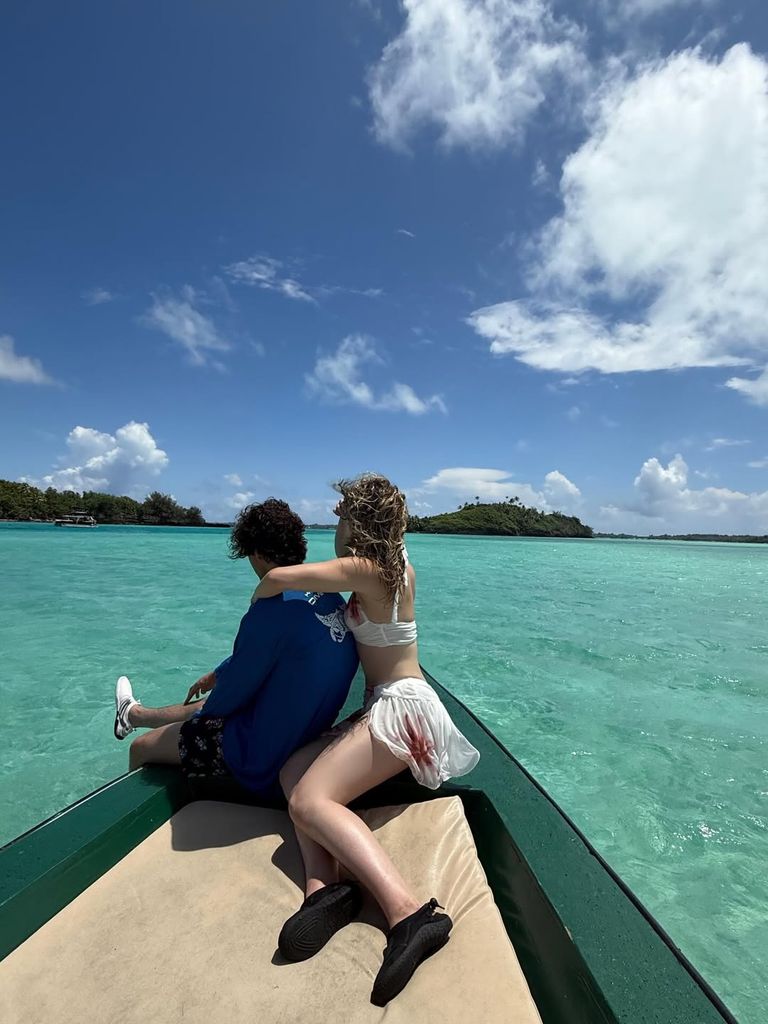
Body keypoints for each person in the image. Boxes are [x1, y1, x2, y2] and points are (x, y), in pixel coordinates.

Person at [250, 473, 480, 1005]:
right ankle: (324, 889)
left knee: (308, 801)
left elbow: (279, 577)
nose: (335, 527)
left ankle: (410, 915)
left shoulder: (365, 569)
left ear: (357, 524)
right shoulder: (395, 567)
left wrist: (259, 604)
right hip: (390, 704)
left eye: (341, 517)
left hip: (403, 707)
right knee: (292, 771)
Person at [112, 498, 359, 799]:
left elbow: (223, 704)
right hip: (309, 735)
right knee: (222, 702)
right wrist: (220, 673)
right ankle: (133, 715)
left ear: (256, 552)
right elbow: (285, 648)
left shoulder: (267, 611)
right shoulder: (330, 595)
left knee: (142, 747)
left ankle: (131, 786)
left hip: (262, 756)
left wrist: (216, 698)